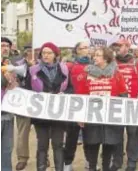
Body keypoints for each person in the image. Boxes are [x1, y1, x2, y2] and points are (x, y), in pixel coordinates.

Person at [28, 42, 73, 171]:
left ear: (55, 55)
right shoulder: (33, 70)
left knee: (58, 145)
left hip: (58, 113)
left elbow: (71, 88)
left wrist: (64, 94)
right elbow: (27, 89)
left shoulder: (64, 69)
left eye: (49, 53)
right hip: (40, 114)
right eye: (43, 53)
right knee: (42, 145)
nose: (46, 55)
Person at [82, 47, 127, 171]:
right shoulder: (88, 73)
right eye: (94, 55)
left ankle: (106, 167)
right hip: (92, 116)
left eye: (98, 55)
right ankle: (92, 167)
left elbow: (123, 93)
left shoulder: (116, 74)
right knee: (92, 143)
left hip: (109, 116)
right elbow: (82, 95)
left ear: (106, 59)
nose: (94, 57)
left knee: (108, 143)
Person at [113, 38, 138, 171]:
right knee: (117, 133)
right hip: (116, 104)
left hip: (133, 105)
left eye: (124, 46)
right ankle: (117, 160)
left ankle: (132, 160)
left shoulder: (137, 63)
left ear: (128, 47)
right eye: (119, 46)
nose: (121, 48)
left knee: (133, 133)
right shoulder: (111, 62)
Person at [64, 41, 91, 171]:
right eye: (83, 48)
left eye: (87, 47)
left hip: (91, 106)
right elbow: (66, 85)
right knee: (72, 136)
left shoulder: (95, 65)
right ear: (77, 51)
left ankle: (89, 161)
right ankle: (68, 163)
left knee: (90, 136)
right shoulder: (70, 66)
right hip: (74, 105)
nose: (86, 50)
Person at [13, 44, 34, 171]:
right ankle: (22, 158)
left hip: (39, 102)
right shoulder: (17, 64)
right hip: (23, 102)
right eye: (29, 51)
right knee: (22, 132)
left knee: (43, 133)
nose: (31, 53)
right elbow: (16, 79)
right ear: (25, 53)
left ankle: (44, 156)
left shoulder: (43, 64)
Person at [1, 37, 18, 171]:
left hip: (8, 112)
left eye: (7, 46)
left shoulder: (10, 66)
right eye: (2, 45)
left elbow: (14, 88)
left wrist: (12, 80)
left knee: (7, 149)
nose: (5, 48)